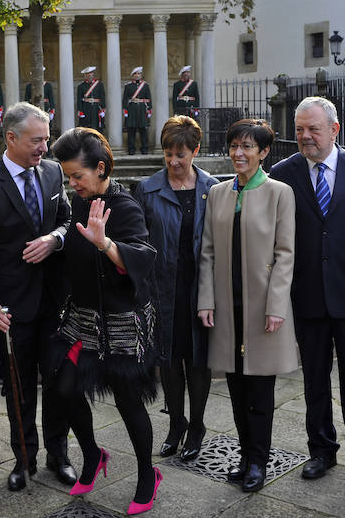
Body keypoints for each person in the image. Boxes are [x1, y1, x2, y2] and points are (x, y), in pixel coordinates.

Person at [269, 97, 345, 494]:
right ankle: (320, 450)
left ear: (335, 130)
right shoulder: (283, 173)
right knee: (315, 379)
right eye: (299, 129)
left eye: (313, 129)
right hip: (308, 294)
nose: (304, 136)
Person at [0, 101, 76, 491]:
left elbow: (67, 219)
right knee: (19, 388)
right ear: (10, 138)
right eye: (37, 140)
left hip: (55, 305)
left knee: (61, 384)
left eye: (46, 139)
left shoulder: (52, 173)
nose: (45, 148)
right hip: (12, 310)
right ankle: (23, 460)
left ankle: (58, 456)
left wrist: (54, 238)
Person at [51, 127, 161, 515]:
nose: (72, 183)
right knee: (64, 389)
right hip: (82, 321)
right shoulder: (80, 201)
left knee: (129, 402)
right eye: (67, 177)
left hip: (121, 324)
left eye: (77, 176)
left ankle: (148, 474)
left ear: (100, 169)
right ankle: (93, 455)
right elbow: (69, 238)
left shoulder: (125, 206)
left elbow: (144, 256)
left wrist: (106, 244)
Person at [197, 119, 299, 493]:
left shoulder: (279, 193)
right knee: (237, 389)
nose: (239, 153)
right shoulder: (219, 193)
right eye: (234, 146)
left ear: (263, 152)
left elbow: (285, 253)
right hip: (228, 307)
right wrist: (206, 299)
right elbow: (206, 252)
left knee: (260, 391)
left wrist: (276, 306)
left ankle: (259, 460)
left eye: (247, 147)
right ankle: (244, 456)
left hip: (261, 308)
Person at [134, 116, 218, 462]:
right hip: (162, 290)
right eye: (168, 153)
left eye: (181, 154)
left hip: (200, 290)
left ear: (195, 151)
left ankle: (197, 426)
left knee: (198, 361)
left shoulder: (213, 189)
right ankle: (176, 424)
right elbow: (137, 241)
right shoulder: (148, 189)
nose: (173, 161)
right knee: (167, 361)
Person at [122, 67, 152, 155]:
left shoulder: (145, 86)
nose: (137, 75)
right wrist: (125, 110)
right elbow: (125, 99)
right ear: (133, 75)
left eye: (138, 74)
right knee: (131, 130)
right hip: (132, 109)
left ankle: (144, 148)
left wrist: (149, 110)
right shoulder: (128, 86)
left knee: (143, 130)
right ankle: (131, 149)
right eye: (135, 74)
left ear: (141, 75)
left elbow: (149, 98)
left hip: (142, 109)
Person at [77, 66, 106, 132]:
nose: (89, 75)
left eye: (91, 73)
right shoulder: (81, 86)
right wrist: (80, 111)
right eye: (87, 73)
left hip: (96, 108)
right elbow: (79, 100)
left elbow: (102, 97)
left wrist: (103, 109)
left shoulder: (99, 84)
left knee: (98, 127)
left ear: (93, 74)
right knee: (87, 127)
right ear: (85, 75)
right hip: (86, 108)